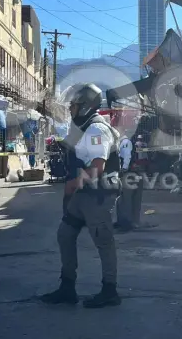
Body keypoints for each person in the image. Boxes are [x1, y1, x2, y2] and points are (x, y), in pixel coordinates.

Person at [43, 83, 123, 308]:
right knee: (65, 235)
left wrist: (73, 184)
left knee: (103, 242)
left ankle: (110, 290)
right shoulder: (84, 127)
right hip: (83, 194)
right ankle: (67, 287)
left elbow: (98, 166)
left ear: (86, 106)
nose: (71, 110)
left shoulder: (97, 129)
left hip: (97, 195)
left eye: (75, 106)